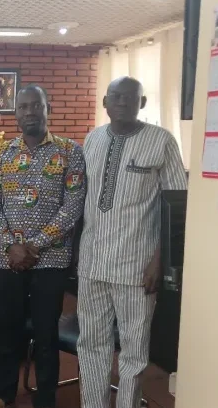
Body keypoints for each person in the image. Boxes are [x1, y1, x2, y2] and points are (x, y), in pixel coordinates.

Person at [76, 77, 187, 408]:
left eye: (130, 97)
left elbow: (176, 206)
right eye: (115, 97)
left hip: (136, 267)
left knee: (134, 351)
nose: (122, 102)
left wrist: (159, 259)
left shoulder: (161, 142)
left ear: (142, 102)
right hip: (92, 263)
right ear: (105, 103)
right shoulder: (93, 139)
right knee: (91, 344)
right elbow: (86, 199)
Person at [0, 84, 86, 408]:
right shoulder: (1, 154)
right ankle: (3, 394)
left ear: (47, 108)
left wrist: (35, 246)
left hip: (51, 260)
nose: (29, 112)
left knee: (46, 334)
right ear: (15, 113)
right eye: (23, 107)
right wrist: (13, 246)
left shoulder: (70, 151)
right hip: (7, 259)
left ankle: (45, 399)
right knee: (7, 330)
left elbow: (73, 206)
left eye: (35, 106)